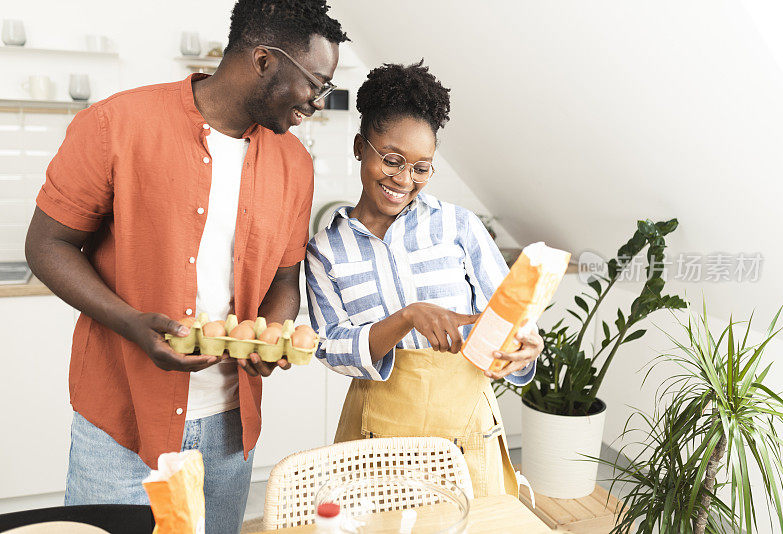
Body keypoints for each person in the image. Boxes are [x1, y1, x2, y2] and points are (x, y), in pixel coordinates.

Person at [24, 1, 347, 532]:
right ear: (264, 60)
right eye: (314, 83)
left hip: (228, 430)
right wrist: (130, 321)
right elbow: (47, 244)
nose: (317, 101)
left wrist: (268, 331)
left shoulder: (296, 163)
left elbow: (286, 278)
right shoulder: (115, 124)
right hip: (121, 421)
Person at [305, 61, 544, 498]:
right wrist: (408, 318)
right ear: (360, 146)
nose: (404, 180)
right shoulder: (326, 249)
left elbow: (509, 321)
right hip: (374, 437)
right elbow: (331, 346)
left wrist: (523, 348)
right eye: (392, 161)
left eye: (421, 168)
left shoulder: (459, 227)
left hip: (467, 433)